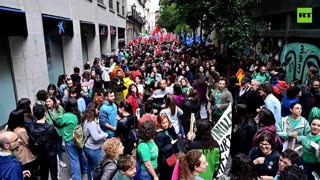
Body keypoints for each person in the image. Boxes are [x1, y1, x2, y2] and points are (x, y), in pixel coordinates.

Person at [55, 98, 87, 180]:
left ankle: (76, 177)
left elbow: (58, 121)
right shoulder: (79, 114)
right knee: (80, 154)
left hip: (70, 139)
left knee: (74, 159)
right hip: (78, 138)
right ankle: (84, 169)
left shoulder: (66, 116)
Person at [6, 109, 37, 179]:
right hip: (26, 156)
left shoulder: (9, 128)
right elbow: (28, 143)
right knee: (29, 174)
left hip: (17, 155)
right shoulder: (21, 130)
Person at [32, 105, 59, 180]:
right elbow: (56, 138)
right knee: (54, 173)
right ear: (45, 113)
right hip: (51, 153)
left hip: (40, 153)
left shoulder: (31, 127)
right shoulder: (50, 128)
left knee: (43, 173)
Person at [83, 102, 108, 180]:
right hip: (93, 149)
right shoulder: (92, 122)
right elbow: (96, 137)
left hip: (87, 147)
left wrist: (104, 134)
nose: (98, 111)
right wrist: (105, 135)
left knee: (90, 165)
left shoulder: (88, 119)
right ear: (94, 110)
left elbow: (99, 131)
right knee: (100, 168)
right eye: (97, 109)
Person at [154, 114, 179, 180]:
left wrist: (171, 128)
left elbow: (175, 137)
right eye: (163, 123)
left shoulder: (168, 129)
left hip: (172, 156)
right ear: (159, 123)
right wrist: (171, 144)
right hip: (165, 160)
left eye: (166, 122)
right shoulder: (159, 135)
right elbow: (161, 149)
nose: (165, 124)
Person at [45, 95, 66, 167]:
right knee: (53, 148)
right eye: (46, 101)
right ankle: (55, 161)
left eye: (49, 101)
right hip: (50, 133)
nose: (47, 103)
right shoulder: (45, 111)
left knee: (59, 147)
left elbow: (62, 119)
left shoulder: (59, 108)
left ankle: (60, 159)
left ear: (54, 101)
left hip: (58, 132)